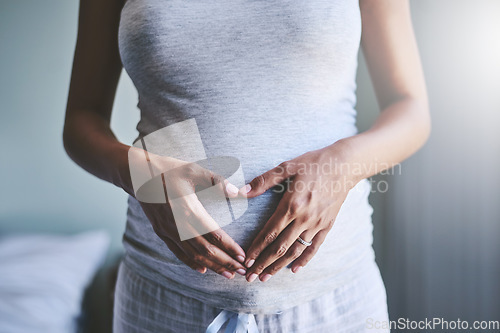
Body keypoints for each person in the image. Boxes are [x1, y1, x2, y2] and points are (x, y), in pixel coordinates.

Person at [64, 0, 430, 331]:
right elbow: (81, 119)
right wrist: (139, 173)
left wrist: (343, 164)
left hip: (333, 300)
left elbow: (410, 109)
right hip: (164, 297)